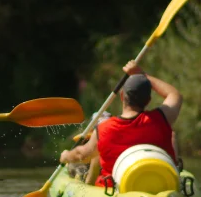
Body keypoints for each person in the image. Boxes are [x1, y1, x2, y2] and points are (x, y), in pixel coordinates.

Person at [60, 60, 183, 188]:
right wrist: (142, 74)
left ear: (122, 96)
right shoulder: (160, 119)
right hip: (162, 184)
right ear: (148, 100)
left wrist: (66, 156)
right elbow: (175, 95)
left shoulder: (103, 129)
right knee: (172, 135)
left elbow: (83, 154)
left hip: (118, 191)